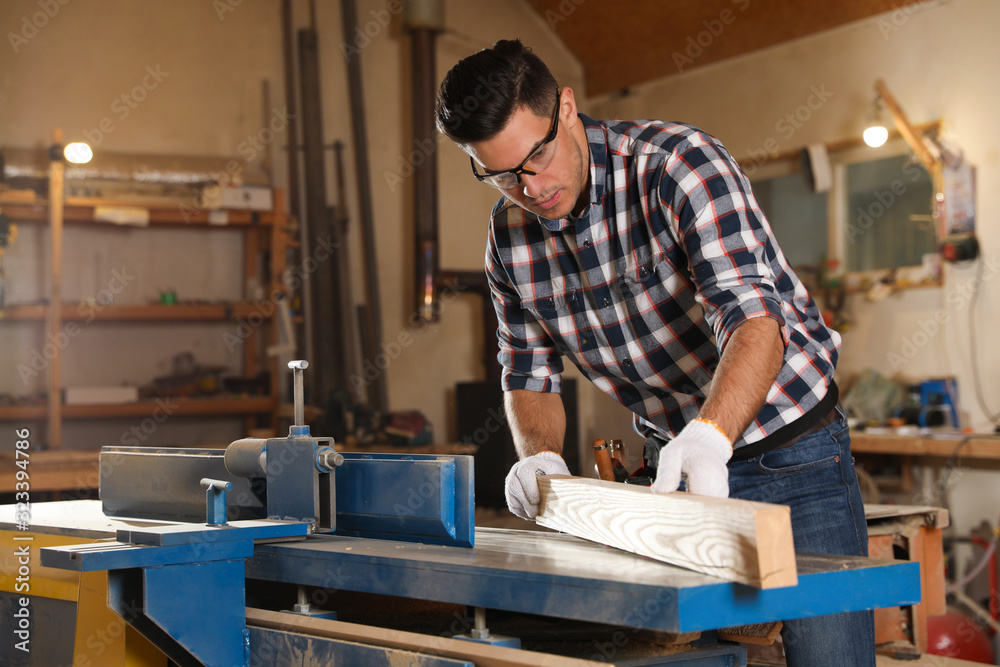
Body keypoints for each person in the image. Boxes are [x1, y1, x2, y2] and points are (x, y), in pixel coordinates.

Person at [435, 39, 875, 666]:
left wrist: (711, 435)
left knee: (830, 657)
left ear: (566, 108)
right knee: (688, 655)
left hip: (789, 454)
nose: (530, 187)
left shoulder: (676, 166)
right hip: (675, 472)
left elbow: (752, 320)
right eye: (501, 174)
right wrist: (542, 461)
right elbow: (528, 370)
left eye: (537, 156)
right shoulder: (509, 241)